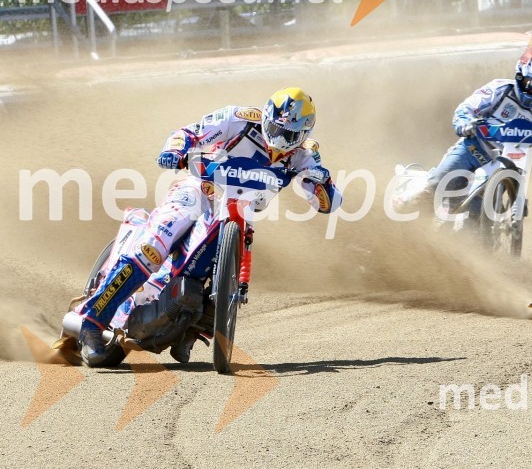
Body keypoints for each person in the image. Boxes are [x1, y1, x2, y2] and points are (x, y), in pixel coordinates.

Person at [76, 87, 342, 366]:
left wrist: (321, 180)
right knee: (155, 246)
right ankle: (92, 321)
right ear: (265, 116)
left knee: (214, 268)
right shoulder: (237, 119)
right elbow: (188, 133)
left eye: (288, 134)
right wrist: (174, 150)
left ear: (303, 134)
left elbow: (327, 204)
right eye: (274, 127)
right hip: (198, 192)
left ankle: (191, 327)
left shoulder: (303, 156)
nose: (277, 137)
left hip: (237, 214)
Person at [421, 46, 532, 217]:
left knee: (478, 216)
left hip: (507, 165)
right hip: (473, 149)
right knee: (438, 183)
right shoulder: (499, 89)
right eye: (530, 82)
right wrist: (464, 122)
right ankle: (409, 205)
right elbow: (466, 108)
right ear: (519, 74)